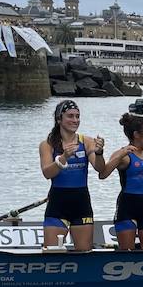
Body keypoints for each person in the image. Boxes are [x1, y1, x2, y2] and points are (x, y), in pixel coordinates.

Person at [39, 100, 107, 251]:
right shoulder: (48, 144)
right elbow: (47, 173)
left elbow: (100, 169)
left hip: (81, 203)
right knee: (51, 254)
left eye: (77, 116)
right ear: (59, 119)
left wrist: (99, 153)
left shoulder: (86, 141)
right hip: (58, 203)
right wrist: (63, 157)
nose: (75, 120)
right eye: (70, 116)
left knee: (84, 254)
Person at [100, 114, 143, 251]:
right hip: (127, 207)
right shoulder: (123, 155)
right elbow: (103, 174)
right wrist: (120, 154)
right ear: (136, 134)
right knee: (127, 255)